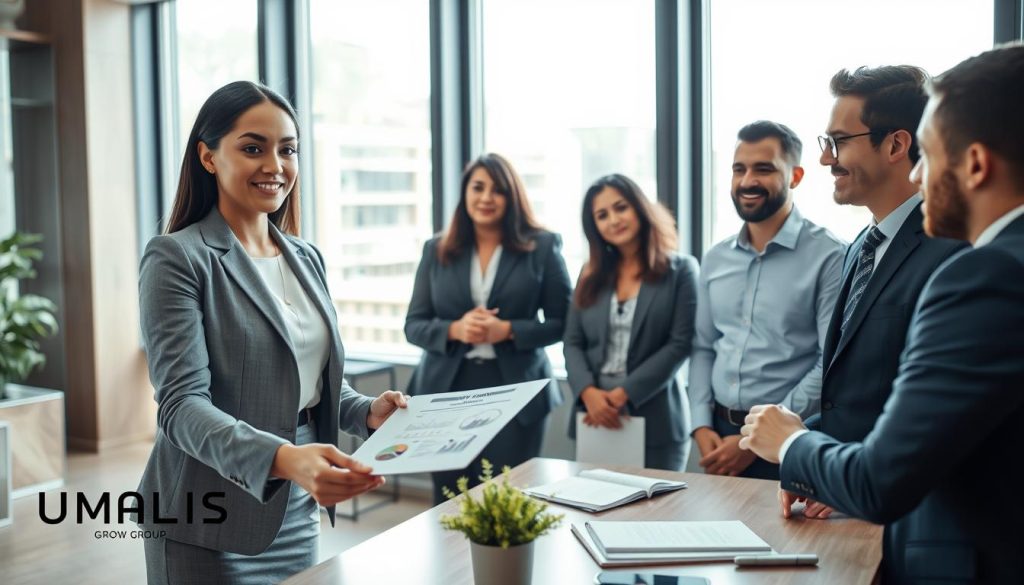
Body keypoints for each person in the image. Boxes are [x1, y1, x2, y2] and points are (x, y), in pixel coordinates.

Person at [739, 43, 1024, 584]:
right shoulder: (860, 248)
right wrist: (818, 450)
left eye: (931, 154)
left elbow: (888, 472)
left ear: (977, 164)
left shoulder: (977, 269)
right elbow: (878, 399)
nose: (920, 177)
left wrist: (793, 444)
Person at [134, 81, 408, 585]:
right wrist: (285, 459)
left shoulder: (306, 258)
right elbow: (181, 407)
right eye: (252, 148)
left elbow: (307, 380)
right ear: (208, 157)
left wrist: (365, 410)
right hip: (206, 514)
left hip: (293, 508)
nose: (274, 165)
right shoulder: (177, 257)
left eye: (287, 150)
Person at [790, 66, 966, 519]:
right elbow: (854, 401)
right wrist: (805, 453)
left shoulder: (952, 252)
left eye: (838, 142)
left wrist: (795, 444)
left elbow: (924, 417)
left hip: (915, 518)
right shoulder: (859, 250)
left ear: (895, 145)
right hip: (851, 507)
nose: (827, 160)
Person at [404, 153, 572, 504]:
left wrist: (507, 330)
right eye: (478, 187)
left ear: (512, 197)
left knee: (509, 498)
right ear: (465, 193)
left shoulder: (542, 246)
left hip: (516, 389)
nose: (486, 198)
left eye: (498, 190)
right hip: (447, 391)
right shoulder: (436, 249)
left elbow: (564, 322)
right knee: (450, 501)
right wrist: (456, 330)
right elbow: (414, 326)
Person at [688, 121, 845, 480]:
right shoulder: (715, 258)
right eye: (738, 169)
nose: (747, 181)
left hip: (786, 442)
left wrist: (757, 437)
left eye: (764, 168)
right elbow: (702, 346)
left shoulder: (830, 256)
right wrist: (699, 424)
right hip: (715, 437)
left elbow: (831, 363)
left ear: (796, 176)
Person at [563, 174, 698, 471]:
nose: (613, 219)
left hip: (657, 417)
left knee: (657, 513)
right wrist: (588, 393)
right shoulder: (589, 274)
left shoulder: (681, 270)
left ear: (639, 208)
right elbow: (572, 341)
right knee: (595, 511)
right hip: (595, 414)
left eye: (620, 207)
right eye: (602, 215)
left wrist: (625, 394)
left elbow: (680, 344)